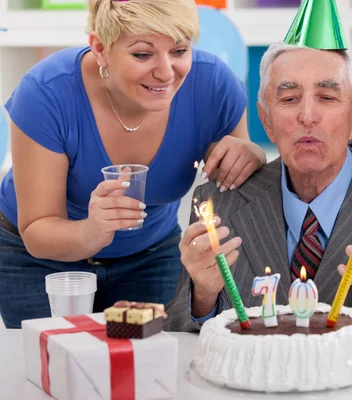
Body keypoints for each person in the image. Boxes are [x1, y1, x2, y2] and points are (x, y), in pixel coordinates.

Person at [164, 12, 352, 334]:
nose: (307, 116)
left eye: (327, 97)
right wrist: (203, 295)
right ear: (266, 120)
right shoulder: (217, 205)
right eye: (289, 98)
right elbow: (179, 332)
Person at [0, 0, 267, 329]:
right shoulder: (46, 93)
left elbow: (236, 192)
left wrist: (253, 157)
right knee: (54, 371)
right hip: (38, 261)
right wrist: (91, 230)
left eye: (180, 50)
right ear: (100, 48)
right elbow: (37, 231)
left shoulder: (213, 86)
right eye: (143, 54)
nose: (166, 72)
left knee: (147, 370)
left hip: (150, 256)